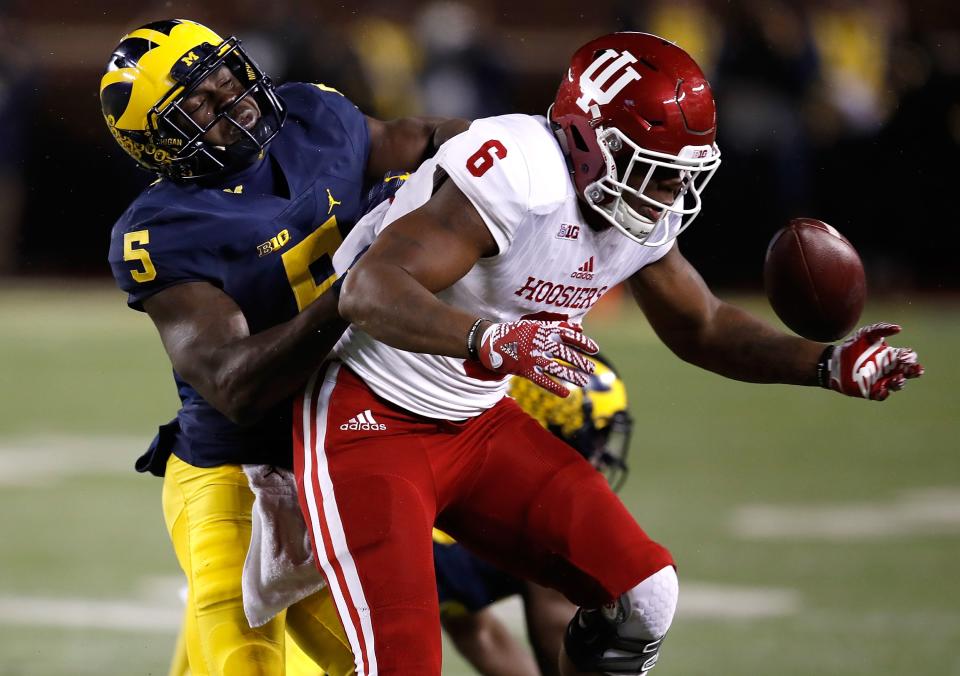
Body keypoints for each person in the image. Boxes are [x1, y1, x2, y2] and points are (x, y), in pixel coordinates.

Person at [294, 31, 923, 675]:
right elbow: (370, 287)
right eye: (650, 169)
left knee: (645, 595)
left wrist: (822, 363)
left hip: (476, 421)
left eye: (678, 174)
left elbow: (700, 323)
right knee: (405, 665)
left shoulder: (637, 204)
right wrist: (488, 338)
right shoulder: (520, 172)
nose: (666, 195)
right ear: (585, 138)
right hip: (366, 415)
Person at [101, 18, 467, 676]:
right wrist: (351, 293)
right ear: (159, 145)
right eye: (198, 104)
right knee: (246, 663)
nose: (228, 100)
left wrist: (527, 146)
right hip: (233, 470)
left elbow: (419, 140)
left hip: (339, 451)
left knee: (379, 658)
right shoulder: (162, 231)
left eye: (225, 78)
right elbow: (236, 386)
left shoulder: (312, 114)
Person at [435, 353, 631, 676]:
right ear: (545, 428)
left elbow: (475, 630)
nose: (602, 456)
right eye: (595, 438)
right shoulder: (535, 522)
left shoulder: (464, 471)